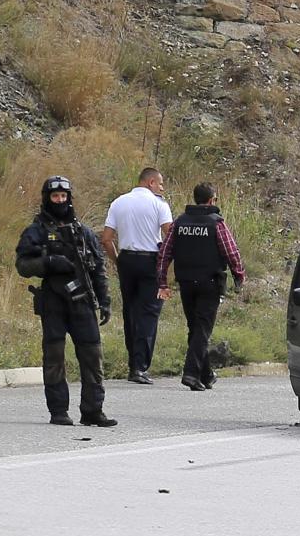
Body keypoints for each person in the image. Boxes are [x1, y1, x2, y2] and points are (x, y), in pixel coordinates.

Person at [15, 176, 117, 426]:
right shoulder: (36, 231)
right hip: (54, 303)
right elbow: (23, 265)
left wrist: (104, 301)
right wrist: (48, 263)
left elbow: (98, 269)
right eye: (55, 197)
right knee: (54, 357)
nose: (60, 201)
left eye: (63, 196)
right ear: (47, 199)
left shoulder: (83, 233)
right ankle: (58, 411)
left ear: (69, 198)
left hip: (82, 302)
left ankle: (93, 410)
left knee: (92, 356)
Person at [156, 182, 246, 391]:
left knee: (195, 328)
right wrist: (239, 275)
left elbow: (165, 254)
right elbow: (231, 252)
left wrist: (162, 281)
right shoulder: (216, 223)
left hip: (186, 282)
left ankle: (205, 375)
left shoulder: (180, 222)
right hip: (210, 283)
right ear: (211, 200)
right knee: (202, 330)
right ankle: (191, 373)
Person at [102, 167, 172, 385]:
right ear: (150, 182)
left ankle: (133, 360)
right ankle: (140, 367)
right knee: (149, 313)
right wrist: (168, 263)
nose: (162, 188)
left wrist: (118, 260)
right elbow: (170, 234)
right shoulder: (159, 204)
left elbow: (106, 238)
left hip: (126, 260)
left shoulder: (118, 202)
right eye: (160, 184)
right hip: (150, 261)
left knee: (130, 311)